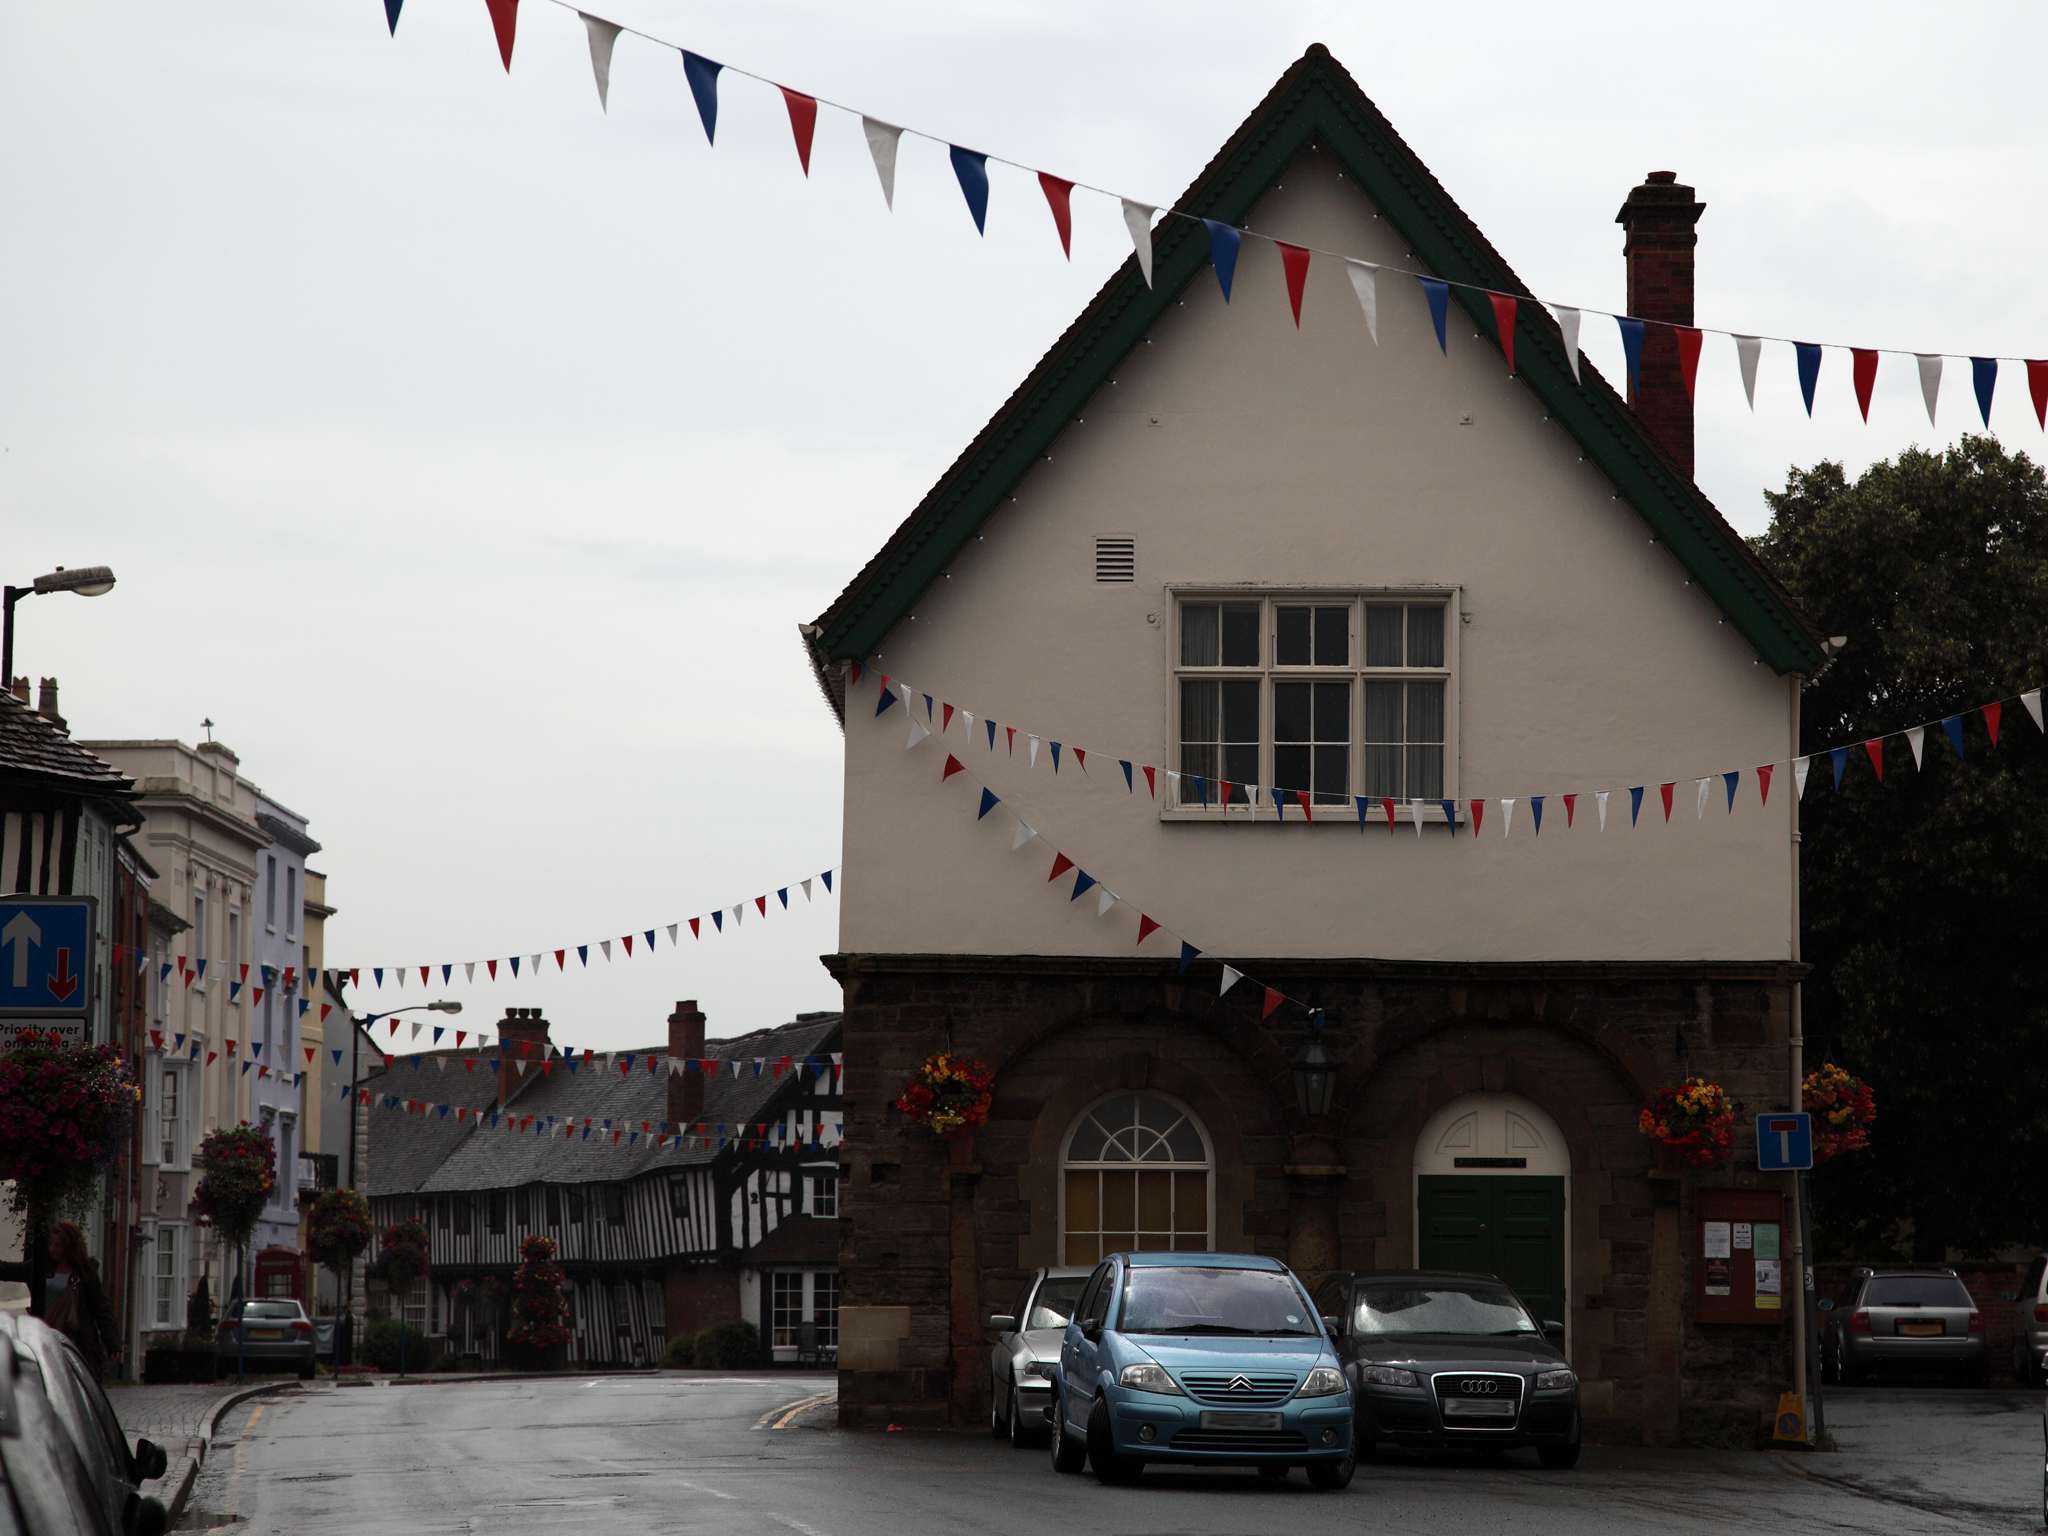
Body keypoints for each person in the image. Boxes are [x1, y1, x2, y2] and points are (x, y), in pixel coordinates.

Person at [0, 1223, 122, 1377]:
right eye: (51, 1244)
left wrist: (112, 1342)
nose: (52, 1249)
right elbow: (9, 1270)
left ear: (69, 1247)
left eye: (58, 1245)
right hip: (46, 1334)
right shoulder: (41, 1267)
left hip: (75, 1339)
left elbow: (101, 1307)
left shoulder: (84, 1272)